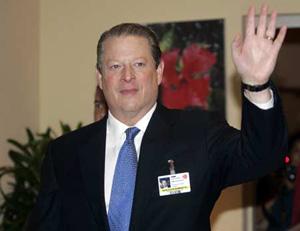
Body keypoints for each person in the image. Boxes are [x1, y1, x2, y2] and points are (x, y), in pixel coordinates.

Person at [25, 4, 288, 231]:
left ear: (160, 72)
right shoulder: (64, 153)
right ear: (100, 78)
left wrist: (256, 84)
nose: (127, 76)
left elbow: (262, 156)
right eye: (115, 66)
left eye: (139, 64)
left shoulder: (199, 133)